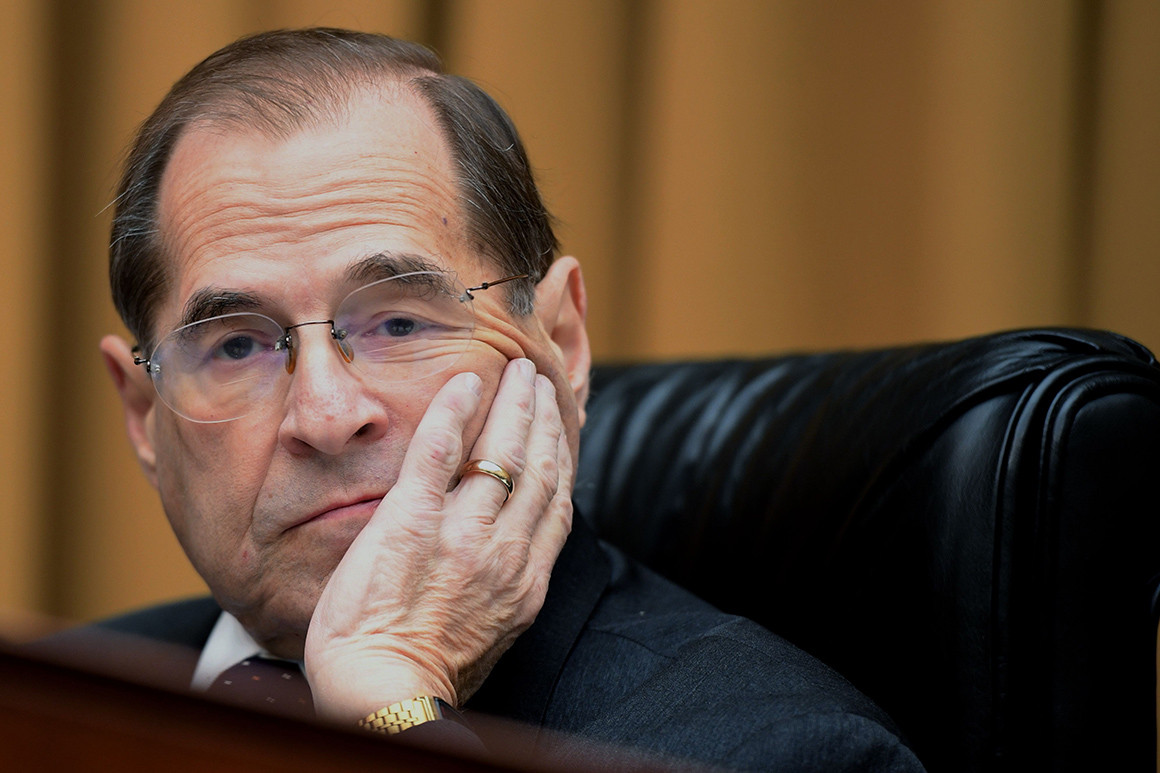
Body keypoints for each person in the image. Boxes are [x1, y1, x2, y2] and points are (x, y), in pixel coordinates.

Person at [86, 28, 924, 771]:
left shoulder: (778, 750)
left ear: (559, 341)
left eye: (399, 322)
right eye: (237, 344)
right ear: (141, 414)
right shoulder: (54, 703)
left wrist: (391, 703)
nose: (327, 414)